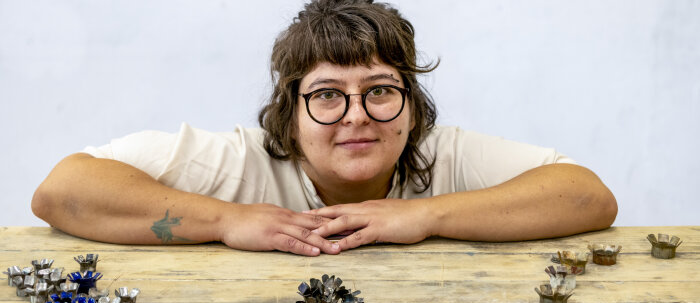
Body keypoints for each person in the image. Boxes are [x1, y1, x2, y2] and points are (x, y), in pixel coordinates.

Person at [31, 0, 617, 257]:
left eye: (381, 91)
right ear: (290, 111)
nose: (358, 115)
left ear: (412, 106)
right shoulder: (240, 162)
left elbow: (588, 196)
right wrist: (226, 219)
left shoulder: (446, 156)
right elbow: (63, 190)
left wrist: (425, 214)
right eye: (328, 96)